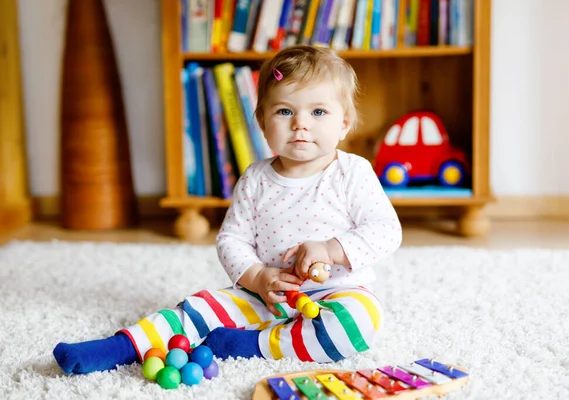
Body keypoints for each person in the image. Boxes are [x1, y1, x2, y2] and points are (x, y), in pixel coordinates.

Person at [53, 45, 402, 375]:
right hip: (264, 295)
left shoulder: (351, 171)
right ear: (262, 122)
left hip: (336, 293)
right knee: (197, 308)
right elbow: (231, 239)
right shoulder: (256, 178)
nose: (300, 123)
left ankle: (253, 345)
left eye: (318, 111)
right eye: (284, 111)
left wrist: (330, 249)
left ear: (344, 123)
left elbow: (386, 230)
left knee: (360, 324)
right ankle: (119, 347)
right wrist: (256, 277)